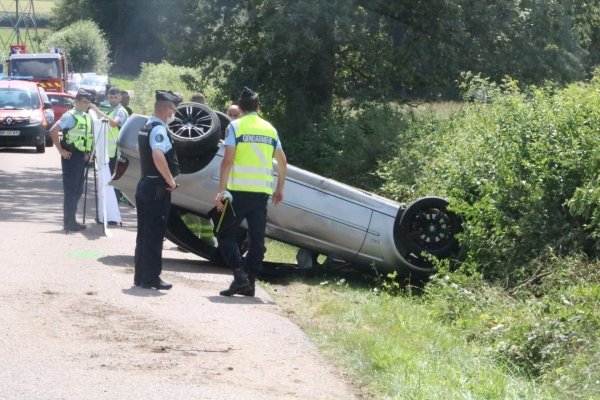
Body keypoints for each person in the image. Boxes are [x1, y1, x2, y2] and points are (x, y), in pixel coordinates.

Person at [214, 87, 287, 296]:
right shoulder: (270, 129)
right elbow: (282, 161)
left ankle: (239, 276)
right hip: (261, 193)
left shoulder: (235, 127)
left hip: (238, 192)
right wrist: (279, 188)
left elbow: (227, 161)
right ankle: (251, 282)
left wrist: (221, 191)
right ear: (258, 107)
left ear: (239, 108)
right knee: (257, 240)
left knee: (224, 233)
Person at [134, 90, 181, 290]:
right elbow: (158, 155)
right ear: (167, 109)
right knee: (154, 234)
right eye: (174, 111)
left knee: (144, 233)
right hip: (156, 189)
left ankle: (141, 276)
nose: (174, 115)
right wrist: (170, 180)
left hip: (145, 184)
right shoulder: (159, 129)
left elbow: (139, 150)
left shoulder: (146, 126)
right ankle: (151, 278)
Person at [49, 89, 94, 233]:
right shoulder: (70, 116)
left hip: (81, 157)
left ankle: (72, 220)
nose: (87, 105)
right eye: (84, 102)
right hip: (71, 157)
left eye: (88, 102)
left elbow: (86, 137)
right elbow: (53, 130)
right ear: (76, 102)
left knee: (78, 190)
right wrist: (60, 150)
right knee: (71, 190)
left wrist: (87, 153)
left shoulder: (86, 117)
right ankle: (68, 222)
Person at [89, 86, 129, 176]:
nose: (113, 100)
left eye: (115, 97)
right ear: (107, 97)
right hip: (107, 151)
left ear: (120, 98)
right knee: (106, 177)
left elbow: (114, 123)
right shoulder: (110, 111)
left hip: (116, 151)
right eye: (111, 97)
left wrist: (98, 111)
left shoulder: (121, 111)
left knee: (112, 178)